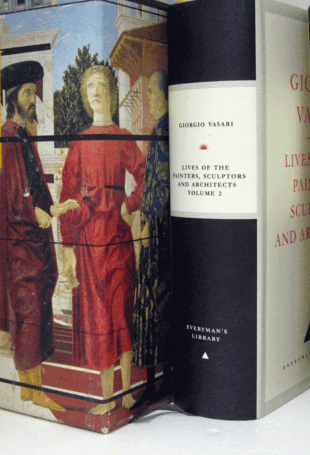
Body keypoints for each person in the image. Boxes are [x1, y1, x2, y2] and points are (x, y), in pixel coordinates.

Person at [0, 61, 78, 412]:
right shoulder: (6, 135)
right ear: (13, 98)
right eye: (26, 93)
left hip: (33, 242)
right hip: (19, 245)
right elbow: (13, 194)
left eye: (32, 93)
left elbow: (34, 187)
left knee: (35, 310)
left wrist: (54, 208)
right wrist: (35, 212)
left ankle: (28, 389)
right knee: (28, 315)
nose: (32, 100)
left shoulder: (23, 135)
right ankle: (35, 390)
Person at [59, 65, 145, 414]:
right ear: (85, 95)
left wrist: (129, 204)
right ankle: (107, 398)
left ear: (111, 92)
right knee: (99, 320)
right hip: (90, 243)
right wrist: (68, 248)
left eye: (101, 85)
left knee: (120, 311)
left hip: (118, 239)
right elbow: (67, 194)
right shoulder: (79, 142)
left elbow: (145, 175)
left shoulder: (123, 136)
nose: (95, 91)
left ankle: (126, 392)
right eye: (90, 86)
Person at [131, 70, 172, 408]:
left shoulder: (164, 129)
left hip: (158, 235)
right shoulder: (162, 128)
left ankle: (159, 383)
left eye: (151, 93)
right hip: (156, 232)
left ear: (164, 95)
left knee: (156, 304)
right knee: (154, 304)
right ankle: (156, 382)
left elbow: (162, 185)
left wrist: (147, 226)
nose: (149, 100)